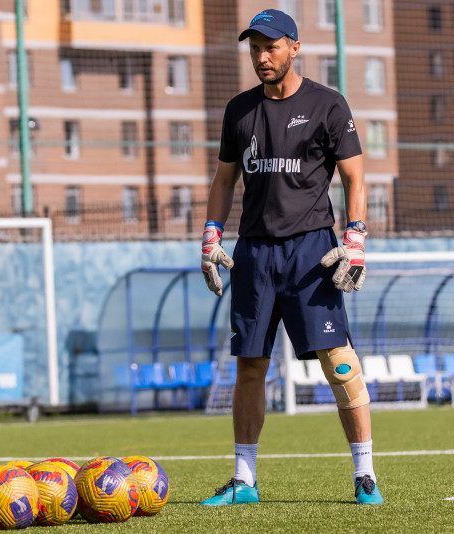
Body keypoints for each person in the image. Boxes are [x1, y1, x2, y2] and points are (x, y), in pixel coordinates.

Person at [198, 9, 383, 506]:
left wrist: (357, 237)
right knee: (250, 367)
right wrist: (212, 236)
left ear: (294, 47)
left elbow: (355, 179)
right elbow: (223, 180)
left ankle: (365, 475)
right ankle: (244, 480)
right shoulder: (239, 110)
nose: (262, 56)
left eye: (271, 46)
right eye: (255, 47)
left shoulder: (328, 104)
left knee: (339, 365)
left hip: (312, 252)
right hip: (254, 253)